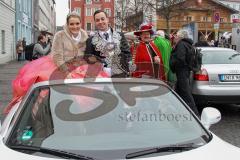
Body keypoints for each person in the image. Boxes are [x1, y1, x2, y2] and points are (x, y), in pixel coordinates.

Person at [4, 12, 109, 114]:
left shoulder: (84, 35)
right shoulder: (60, 35)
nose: (75, 26)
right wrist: (67, 72)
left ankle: (87, 114)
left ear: (80, 23)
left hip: (80, 66)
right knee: (49, 90)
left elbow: (88, 54)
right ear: (67, 24)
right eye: (71, 24)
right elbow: (57, 56)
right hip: (60, 65)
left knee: (94, 86)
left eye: (77, 23)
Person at [85, 10, 132, 77]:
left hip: (119, 76)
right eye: (97, 20)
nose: (100, 22)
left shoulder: (120, 35)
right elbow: (88, 60)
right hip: (100, 78)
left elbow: (127, 54)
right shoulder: (90, 40)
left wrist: (126, 68)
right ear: (95, 22)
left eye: (102, 19)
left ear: (107, 19)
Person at [169, 29, 199, 116]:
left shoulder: (181, 44)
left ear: (180, 37)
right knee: (179, 92)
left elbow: (180, 58)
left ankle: (195, 115)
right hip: (185, 71)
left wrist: (174, 66)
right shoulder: (188, 44)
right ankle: (180, 113)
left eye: (176, 36)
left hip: (182, 71)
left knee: (186, 94)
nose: (175, 37)